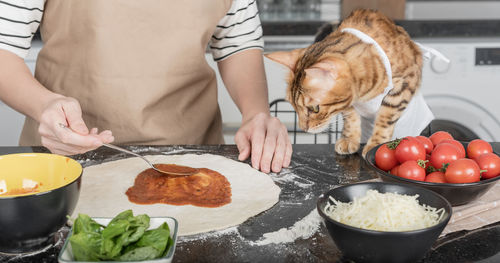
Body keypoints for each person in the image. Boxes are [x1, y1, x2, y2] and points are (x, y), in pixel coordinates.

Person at [0, 0, 292, 173]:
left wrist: (255, 114)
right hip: (67, 159)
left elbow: (237, 40)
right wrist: (44, 106)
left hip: (193, 158)